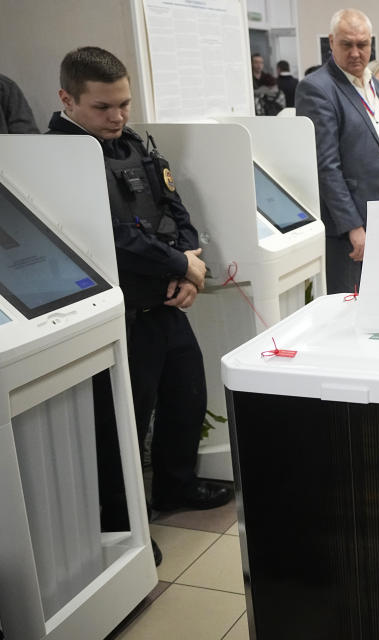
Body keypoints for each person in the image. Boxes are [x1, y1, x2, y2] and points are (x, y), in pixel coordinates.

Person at [47, 46, 234, 565]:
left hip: (166, 302)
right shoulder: (60, 156)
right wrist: (182, 265)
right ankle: (123, 526)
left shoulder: (135, 145)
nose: (118, 117)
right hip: (121, 313)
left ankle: (175, 487)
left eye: (124, 104)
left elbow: (176, 211)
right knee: (122, 425)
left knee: (186, 397)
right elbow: (112, 238)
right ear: (67, 99)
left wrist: (189, 267)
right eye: (103, 107)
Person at [295, 9, 379, 293]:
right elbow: (326, 165)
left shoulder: (373, 83)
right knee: (349, 306)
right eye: (347, 44)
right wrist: (353, 227)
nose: (356, 52)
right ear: (331, 42)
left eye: (363, 44)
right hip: (350, 230)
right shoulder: (317, 88)